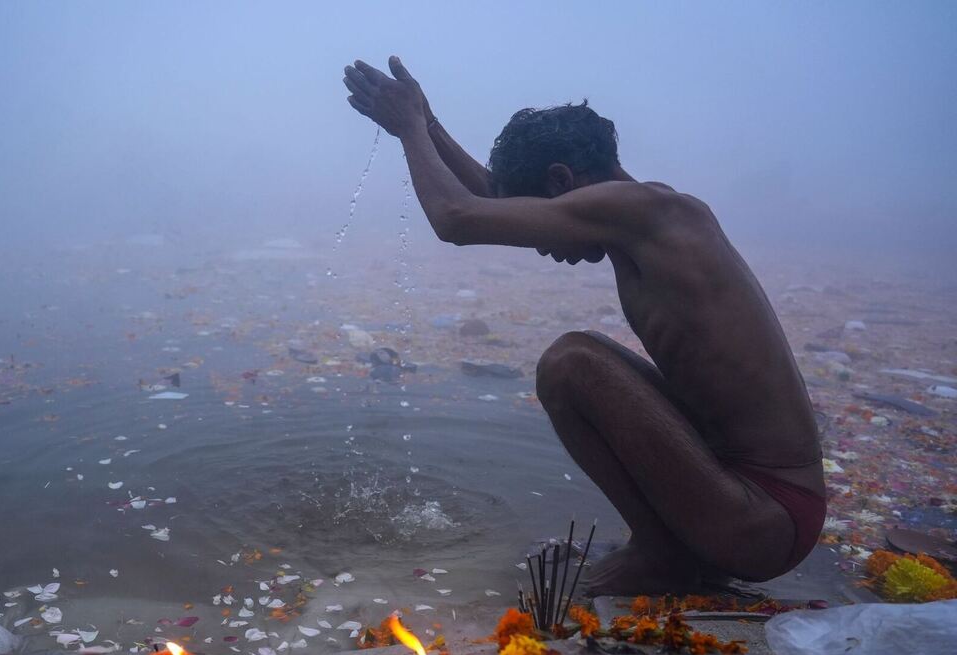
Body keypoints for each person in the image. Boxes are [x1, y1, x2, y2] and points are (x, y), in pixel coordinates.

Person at [343, 57, 825, 595]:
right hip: (748, 501)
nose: (544, 243)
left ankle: (663, 555)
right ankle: (668, 546)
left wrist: (410, 130)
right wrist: (430, 124)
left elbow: (457, 218)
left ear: (561, 180)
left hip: (764, 520)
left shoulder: (641, 211)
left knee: (571, 363)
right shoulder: (645, 209)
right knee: (587, 353)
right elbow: (497, 201)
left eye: (548, 211)